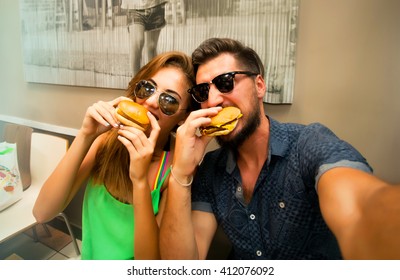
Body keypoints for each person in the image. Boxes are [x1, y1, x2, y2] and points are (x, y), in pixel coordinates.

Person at [160, 38, 400, 260]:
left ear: (259, 86)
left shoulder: (308, 144)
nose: (213, 101)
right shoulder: (211, 168)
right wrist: (181, 174)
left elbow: (360, 209)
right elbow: (182, 266)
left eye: (225, 82)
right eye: (203, 92)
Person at [33, 51, 198, 260]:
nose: (152, 102)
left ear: (183, 117)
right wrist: (86, 135)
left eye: (170, 100)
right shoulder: (105, 143)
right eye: (148, 88)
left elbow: (148, 264)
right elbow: (42, 212)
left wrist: (139, 181)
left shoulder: (174, 170)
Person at [121, 0, 169, 76]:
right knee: (138, 41)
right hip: (134, 8)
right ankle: (135, 80)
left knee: (151, 46)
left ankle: (153, 78)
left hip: (156, 6)